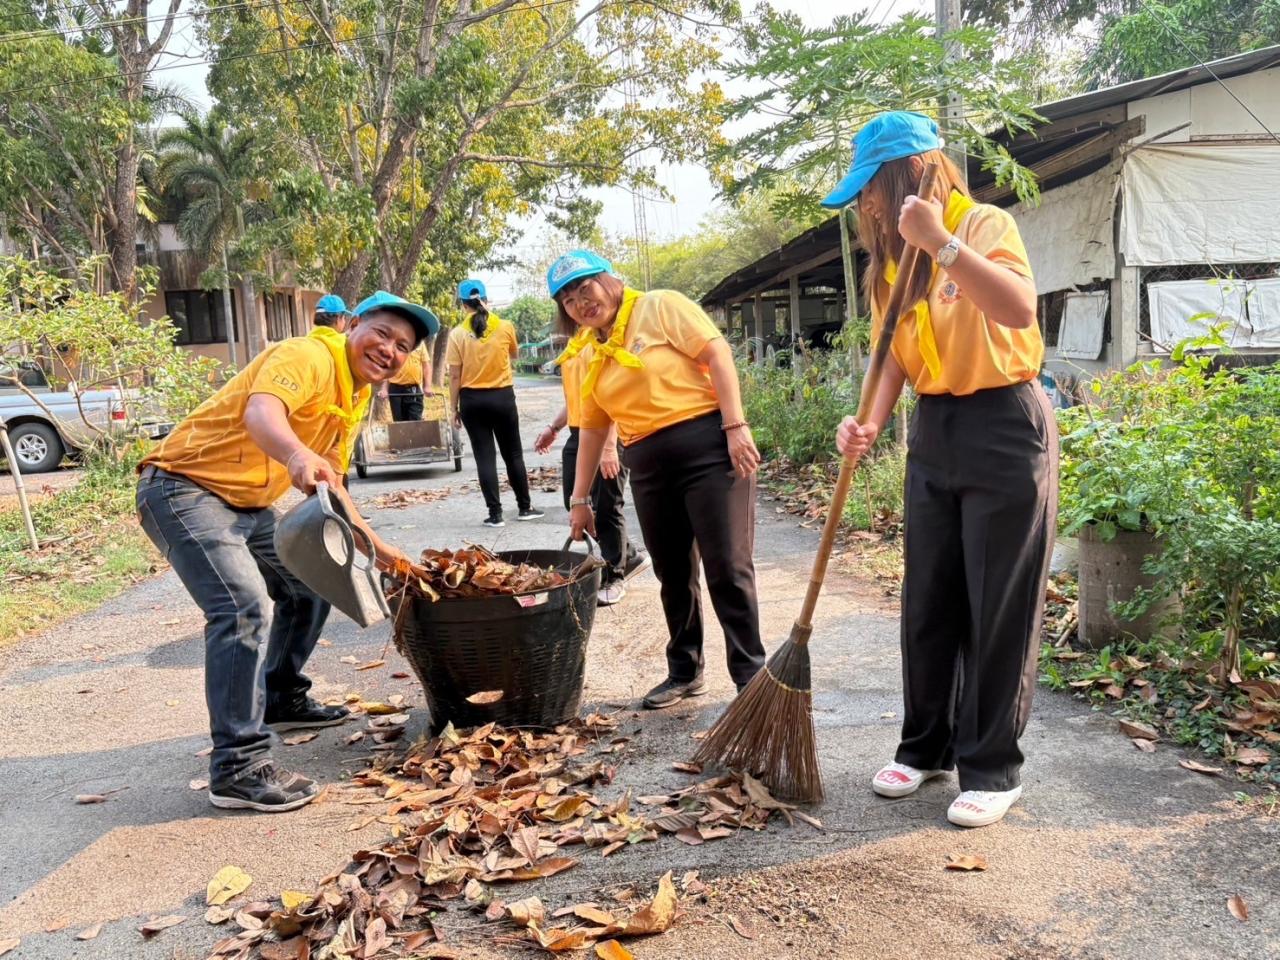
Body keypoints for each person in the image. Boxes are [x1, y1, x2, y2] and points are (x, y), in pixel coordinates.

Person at [825, 111, 1057, 828]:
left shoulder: (982, 227)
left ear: (916, 172)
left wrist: (944, 245)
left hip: (1003, 423)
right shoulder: (890, 264)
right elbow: (893, 351)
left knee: (999, 602)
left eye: (872, 188)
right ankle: (926, 746)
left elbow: (1018, 309)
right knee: (930, 596)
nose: (865, 205)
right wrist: (867, 420)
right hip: (935, 427)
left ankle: (991, 766)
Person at [136, 290, 439, 813]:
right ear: (352, 325)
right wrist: (297, 453)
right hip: (184, 487)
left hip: (247, 502)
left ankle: (280, 694)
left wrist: (385, 554)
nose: (390, 349)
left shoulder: (355, 394)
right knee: (241, 606)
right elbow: (262, 414)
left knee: (311, 582)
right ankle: (238, 767)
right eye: (383, 333)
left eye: (403, 345)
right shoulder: (307, 356)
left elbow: (336, 490)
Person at [552, 250, 765, 708]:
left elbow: (717, 353)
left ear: (609, 279)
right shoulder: (590, 351)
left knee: (727, 566)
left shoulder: (659, 305)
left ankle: (751, 677)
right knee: (673, 573)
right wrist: (579, 498)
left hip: (708, 449)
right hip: (647, 467)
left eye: (585, 287)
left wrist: (735, 425)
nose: (580, 303)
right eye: (568, 300)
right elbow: (592, 425)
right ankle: (685, 671)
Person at [534, 343, 651, 606]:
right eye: (568, 301)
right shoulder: (574, 347)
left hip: (610, 433)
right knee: (575, 501)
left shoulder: (605, 341)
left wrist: (610, 447)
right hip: (580, 431)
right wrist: (553, 427)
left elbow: (614, 398)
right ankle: (629, 556)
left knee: (606, 505)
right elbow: (576, 397)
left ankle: (615, 576)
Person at [447, 277, 542, 527]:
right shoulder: (505, 326)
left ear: (463, 305)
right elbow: (514, 354)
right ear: (486, 300)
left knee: (484, 458)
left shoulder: (457, 334)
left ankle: (495, 514)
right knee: (513, 454)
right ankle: (524, 507)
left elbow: (454, 375)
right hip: (502, 398)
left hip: (472, 401)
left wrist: (452, 408)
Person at [387, 337, 433, 422]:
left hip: (413, 389)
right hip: (395, 389)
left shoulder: (420, 344)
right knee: (399, 422)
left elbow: (426, 366)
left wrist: (427, 386)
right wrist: (383, 389)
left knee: (415, 419)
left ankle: (415, 434)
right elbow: (387, 366)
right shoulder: (394, 342)